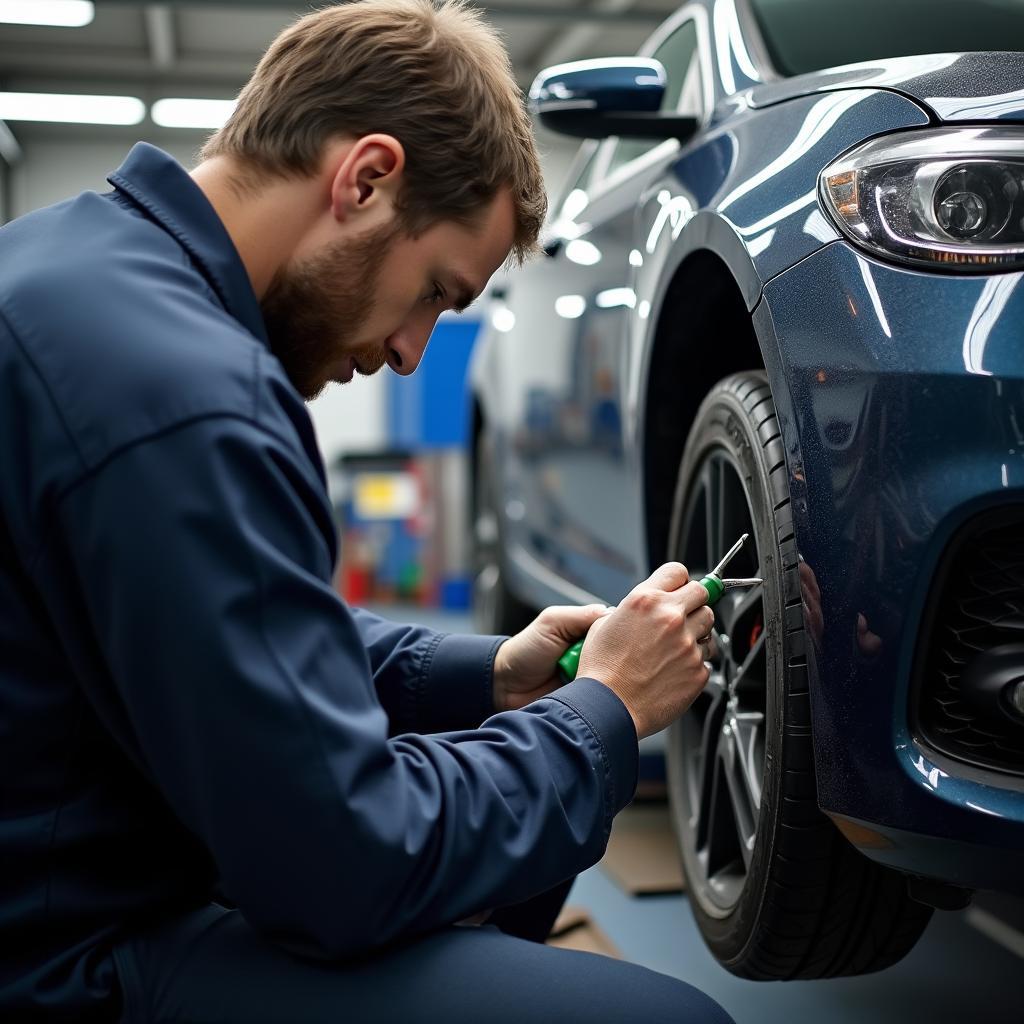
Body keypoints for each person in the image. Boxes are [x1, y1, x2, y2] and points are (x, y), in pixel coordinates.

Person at [0, 2, 733, 1021]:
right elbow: (340, 871)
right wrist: (599, 712)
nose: (409, 353)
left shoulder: (75, 276)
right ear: (366, 178)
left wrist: (490, 672)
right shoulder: (192, 397)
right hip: (70, 957)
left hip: (69, 864)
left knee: (515, 828)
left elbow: (233, 623)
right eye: (433, 293)